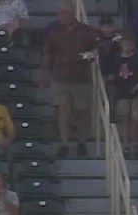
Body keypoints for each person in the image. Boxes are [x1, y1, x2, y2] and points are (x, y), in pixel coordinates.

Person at [41, 2, 99, 158]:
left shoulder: (87, 32)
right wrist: (44, 74)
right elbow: (48, 54)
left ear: (73, 14)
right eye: (59, 13)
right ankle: (64, 142)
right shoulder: (53, 32)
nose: (61, 16)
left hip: (82, 78)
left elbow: (96, 52)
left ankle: (82, 141)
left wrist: (83, 57)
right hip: (60, 77)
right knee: (63, 109)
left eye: (65, 13)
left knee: (83, 112)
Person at [104, 36, 138, 148]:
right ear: (121, 45)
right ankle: (125, 142)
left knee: (136, 117)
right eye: (125, 44)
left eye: (129, 44)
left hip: (137, 91)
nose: (127, 46)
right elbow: (111, 75)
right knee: (124, 117)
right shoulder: (115, 59)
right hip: (121, 91)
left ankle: (135, 140)